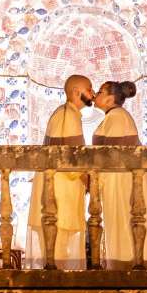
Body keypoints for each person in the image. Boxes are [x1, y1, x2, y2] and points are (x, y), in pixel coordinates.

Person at [92, 81, 147, 269]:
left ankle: (126, 267)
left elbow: (111, 157)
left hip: (122, 183)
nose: (95, 95)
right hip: (119, 182)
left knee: (124, 225)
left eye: (99, 92)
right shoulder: (115, 117)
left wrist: (94, 179)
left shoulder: (117, 117)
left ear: (109, 98)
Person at [26, 75, 93, 269]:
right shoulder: (68, 115)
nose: (92, 93)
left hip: (57, 193)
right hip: (61, 195)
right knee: (58, 253)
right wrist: (88, 179)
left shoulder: (63, 113)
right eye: (89, 89)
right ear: (75, 92)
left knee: (57, 251)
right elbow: (70, 159)